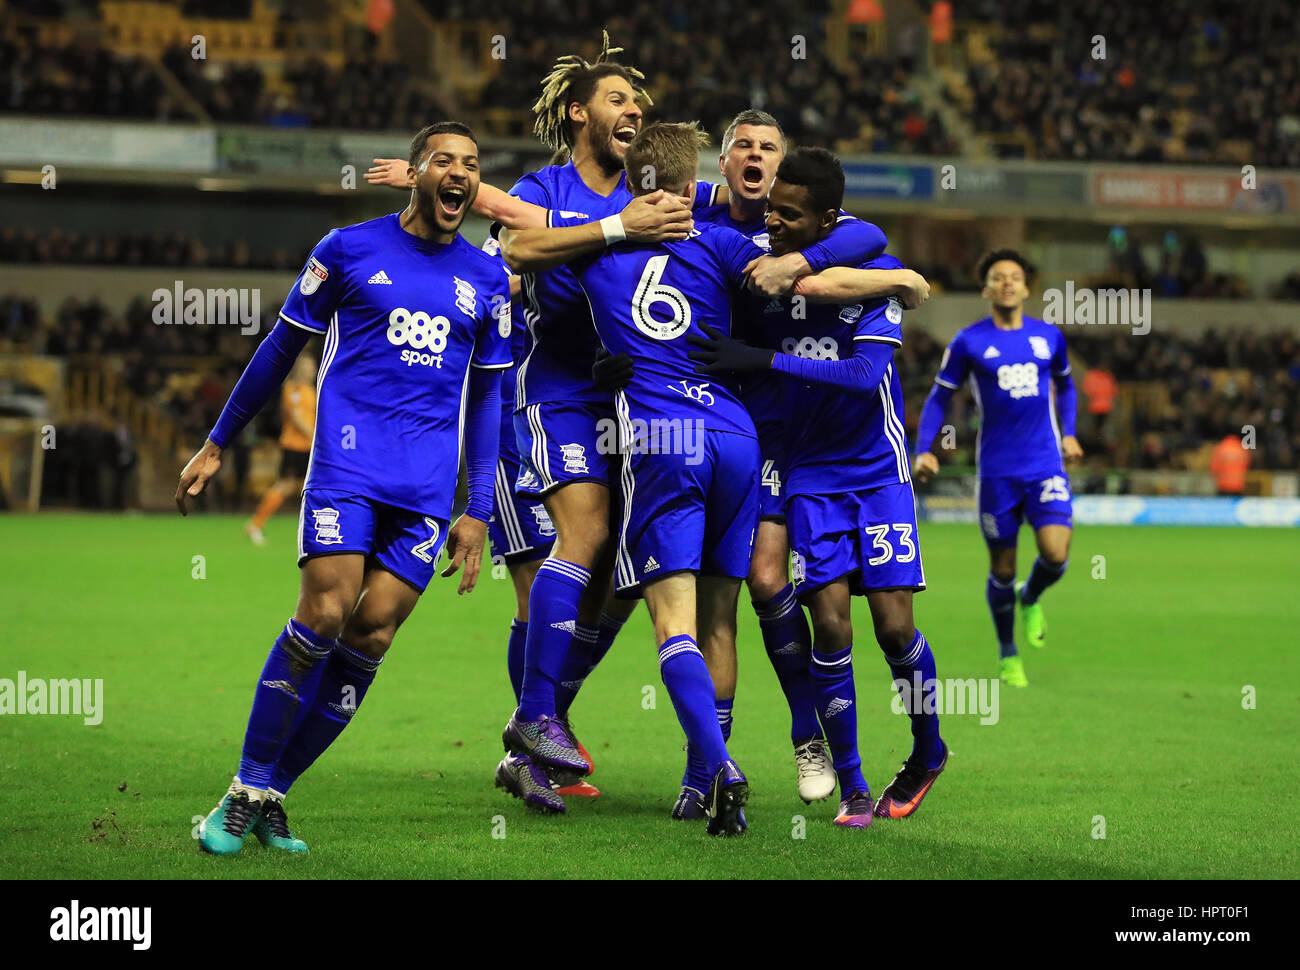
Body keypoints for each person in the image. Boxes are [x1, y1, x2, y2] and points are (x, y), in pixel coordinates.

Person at [177, 122, 510, 854]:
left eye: (472, 166)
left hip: (425, 491)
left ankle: (272, 796)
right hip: (347, 472)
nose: (460, 174)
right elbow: (278, 349)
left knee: (375, 632)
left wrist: (477, 511)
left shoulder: (488, 279)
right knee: (324, 615)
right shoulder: (347, 249)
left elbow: (490, 400)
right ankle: (241, 791)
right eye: (446, 161)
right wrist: (217, 443)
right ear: (417, 172)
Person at [690, 147, 945, 827]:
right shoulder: (758, 271)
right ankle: (855, 783)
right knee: (829, 621)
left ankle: (928, 751)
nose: (773, 220)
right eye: (771, 206)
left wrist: (765, 357)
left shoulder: (875, 276)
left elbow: (865, 379)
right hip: (807, 475)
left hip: (875, 470)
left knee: (894, 629)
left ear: (829, 219)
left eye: (790, 214)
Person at [914, 250, 1083, 687]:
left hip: (1045, 464)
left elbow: (1066, 386)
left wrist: (1070, 433)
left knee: (1056, 554)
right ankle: (1008, 653)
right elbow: (939, 397)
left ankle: (1033, 596)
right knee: (1003, 570)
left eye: (1015, 277)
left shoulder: (1049, 338)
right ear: (986, 288)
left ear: (1027, 287)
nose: (1007, 283)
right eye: (997, 277)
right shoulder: (969, 341)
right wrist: (924, 448)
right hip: (997, 472)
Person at [245, 355, 316, 546]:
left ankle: (313, 532)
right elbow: (296, 417)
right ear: (300, 369)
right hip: (294, 446)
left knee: (307, 489)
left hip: (308, 447)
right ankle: (255, 524)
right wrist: (316, 435)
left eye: (312, 366)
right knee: (286, 486)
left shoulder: (311, 391)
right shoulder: (293, 390)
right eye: (307, 367)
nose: (311, 370)